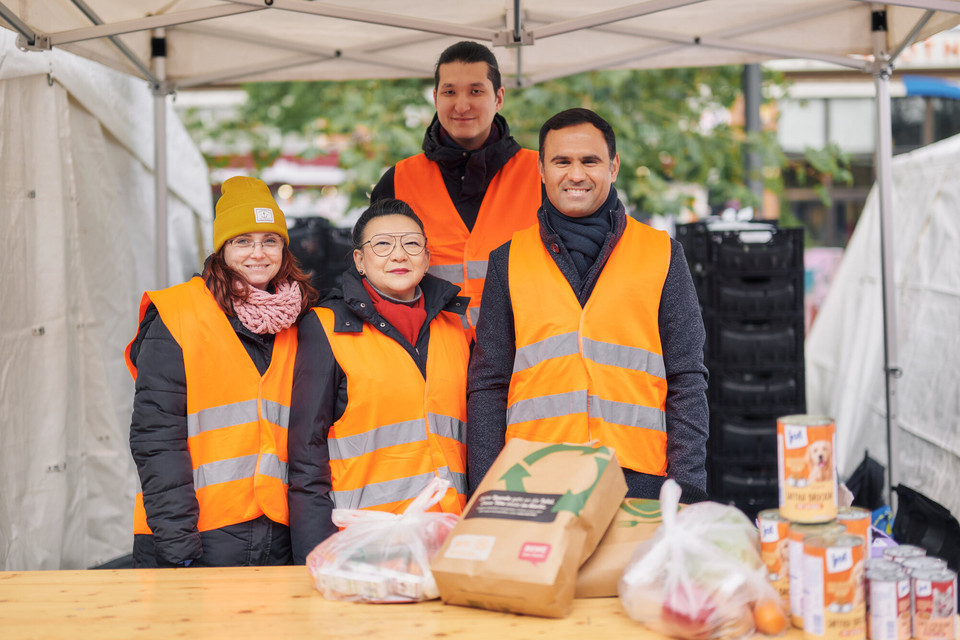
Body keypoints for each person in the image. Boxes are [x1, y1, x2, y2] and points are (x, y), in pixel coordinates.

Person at [466, 108, 710, 502]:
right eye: (561, 161)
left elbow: (686, 378)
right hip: (533, 483)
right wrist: (484, 493)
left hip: (640, 484)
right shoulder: (507, 261)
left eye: (589, 161)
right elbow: (489, 385)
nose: (576, 174)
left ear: (613, 167)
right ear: (541, 171)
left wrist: (688, 489)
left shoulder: (662, 253)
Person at [126, 176, 318, 567]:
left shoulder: (301, 321)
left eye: (270, 240)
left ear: (284, 248)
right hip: (194, 536)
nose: (258, 253)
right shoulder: (177, 314)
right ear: (221, 249)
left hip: (276, 534)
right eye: (242, 241)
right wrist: (180, 552)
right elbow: (156, 440)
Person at [287, 199, 470, 564]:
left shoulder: (457, 327)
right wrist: (315, 556)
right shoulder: (325, 327)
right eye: (382, 245)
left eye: (411, 243)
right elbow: (306, 456)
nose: (399, 255)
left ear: (427, 257)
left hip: (451, 536)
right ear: (359, 261)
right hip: (367, 544)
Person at [370, 40, 541, 341]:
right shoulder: (396, 181)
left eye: (476, 91)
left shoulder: (542, 176)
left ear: (499, 97)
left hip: (523, 364)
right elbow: (374, 285)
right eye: (450, 92)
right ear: (435, 97)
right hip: (432, 365)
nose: (462, 105)